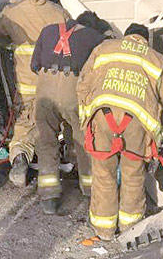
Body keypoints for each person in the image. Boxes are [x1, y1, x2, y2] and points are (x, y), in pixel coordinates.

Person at [77, 23, 163, 240]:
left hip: (103, 116)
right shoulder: (157, 59)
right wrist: (161, 138)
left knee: (103, 174)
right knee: (133, 174)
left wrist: (86, 119)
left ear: (127, 35)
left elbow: (83, 85)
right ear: (145, 40)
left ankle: (104, 230)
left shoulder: (105, 47)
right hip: (136, 123)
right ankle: (131, 229)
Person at [0, 0, 69, 187]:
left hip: (25, 83)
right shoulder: (58, 12)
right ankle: (53, 163)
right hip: (53, 83)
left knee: (24, 122)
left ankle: (19, 157)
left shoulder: (11, 12)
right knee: (52, 123)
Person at [31, 11, 108, 214]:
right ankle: (91, 190)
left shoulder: (48, 30)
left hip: (44, 91)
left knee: (46, 142)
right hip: (72, 92)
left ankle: (49, 197)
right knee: (84, 141)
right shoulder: (95, 37)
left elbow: (34, 65)